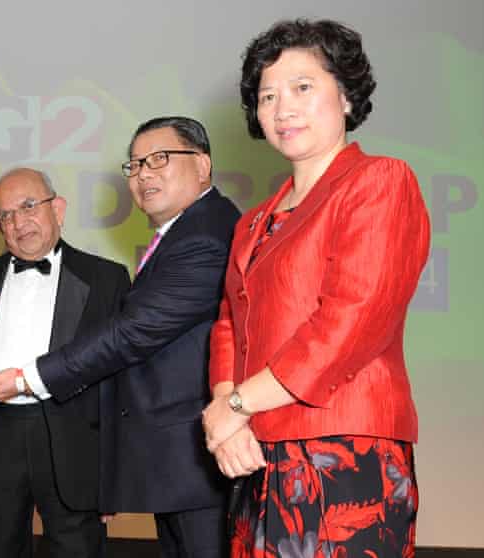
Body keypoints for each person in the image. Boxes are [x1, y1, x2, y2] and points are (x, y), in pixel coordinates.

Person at [202, 19, 429, 556]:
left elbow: (351, 321)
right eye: (268, 96)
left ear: (347, 97)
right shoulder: (252, 221)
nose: (283, 109)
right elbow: (230, 324)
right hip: (256, 450)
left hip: (344, 451)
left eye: (303, 88)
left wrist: (235, 404)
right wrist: (228, 419)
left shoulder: (380, 181)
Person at [0, 117, 241, 558]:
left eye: (159, 160)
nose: (144, 174)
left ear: (203, 165)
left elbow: (130, 335)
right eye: (134, 166)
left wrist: (26, 378)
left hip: (188, 457)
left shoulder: (203, 238)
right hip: (168, 460)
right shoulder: (184, 232)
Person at [0, 168, 129, 558]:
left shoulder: (106, 278)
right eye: (5, 215)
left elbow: (120, 385)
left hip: (75, 443)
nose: (18, 222)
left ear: (59, 209)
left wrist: (113, 479)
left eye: (29, 206)